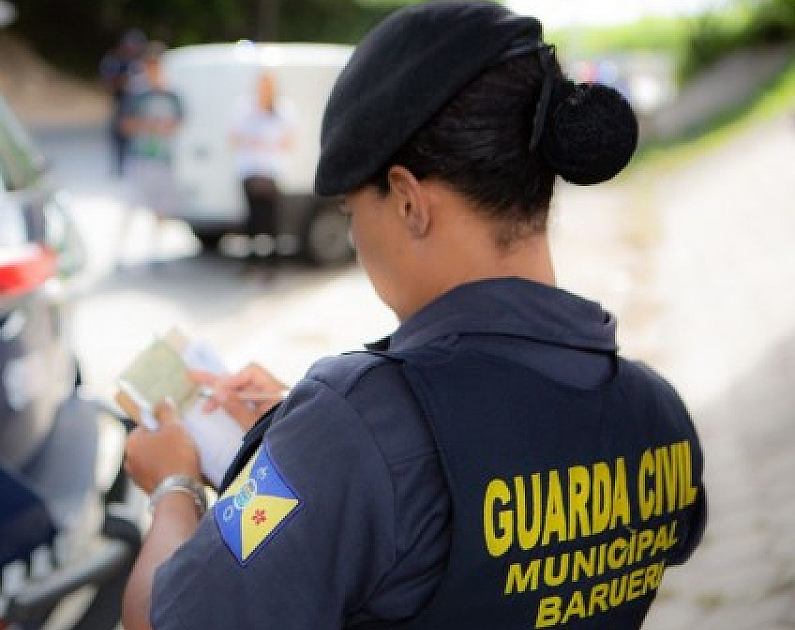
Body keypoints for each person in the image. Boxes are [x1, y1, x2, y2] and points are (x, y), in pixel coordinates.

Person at [118, 3, 708, 630]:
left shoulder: (354, 425)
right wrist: (295, 448)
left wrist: (174, 488)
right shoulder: (656, 414)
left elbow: (161, 621)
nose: (355, 241)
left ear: (406, 201)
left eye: (351, 213)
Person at [116, 43, 185, 268]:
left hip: (162, 159)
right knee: (131, 205)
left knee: (161, 208)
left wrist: (163, 127)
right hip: (140, 158)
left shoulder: (171, 94)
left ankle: (156, 250)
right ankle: (121, 251)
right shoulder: (137, 95)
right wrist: (149, 126)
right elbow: (125, 125)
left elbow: (178, 123)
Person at [231, 72, 295, 274]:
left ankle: (272, 261)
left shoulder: (283, 109)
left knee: (271, 218)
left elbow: (289, 140)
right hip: (249, 169)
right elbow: (233, 137)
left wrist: (267, 144)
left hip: (270, 171)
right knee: (252, 218)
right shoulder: (244, 108)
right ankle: (252, 260)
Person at [100, 29, 147, 178]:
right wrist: (125, 81)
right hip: (122, 105)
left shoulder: (140, 63)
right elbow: (108, 83)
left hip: (140, 107)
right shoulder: (115, 61)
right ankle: (120, 169)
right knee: (119, 137)